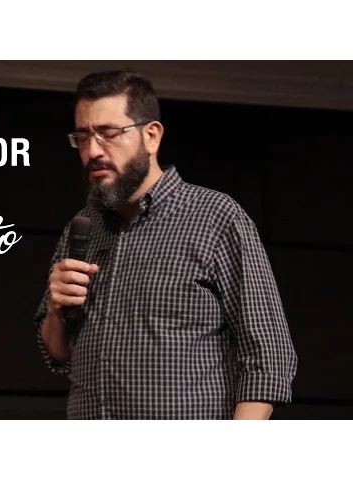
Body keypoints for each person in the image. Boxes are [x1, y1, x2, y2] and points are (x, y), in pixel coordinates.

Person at [33, 70, 298, 420]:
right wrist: (56, 308)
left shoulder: (216, 218)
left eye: (108, 134)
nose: (92, 151)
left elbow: (268, 359)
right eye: (82, 137)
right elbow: (58, 354)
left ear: (152, 136)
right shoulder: (82, 228)